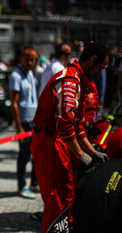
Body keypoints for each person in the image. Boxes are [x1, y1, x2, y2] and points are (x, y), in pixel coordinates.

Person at [30, 41, 110, 233]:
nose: (101, 71)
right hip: (49, 143)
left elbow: (77, 124)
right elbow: (65, 125)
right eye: (102, 67)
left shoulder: (78, 79)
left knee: (67, 195)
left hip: (61, 142)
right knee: (56, 201)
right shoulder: (69, 80)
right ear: (93, 60)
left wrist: (92, 152)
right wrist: (81, 154)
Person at [9, 46, 39, 199]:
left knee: (36, 154)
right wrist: (19, 126)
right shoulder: (16, 75)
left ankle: (34, 183)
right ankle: (21, 186)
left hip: (34, 120)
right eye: (27, 59)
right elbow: (14, 102)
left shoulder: (30, 74)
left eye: (33, 59)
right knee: (24, 156)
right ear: (21, 58)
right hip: (24, 122)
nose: (30, 62)